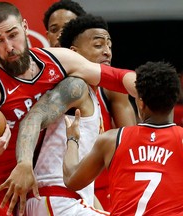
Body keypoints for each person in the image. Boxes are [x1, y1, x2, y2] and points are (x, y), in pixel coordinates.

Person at [0, 2, 136, 215]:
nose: (8, 47)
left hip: (17, 189)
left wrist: (154, 88)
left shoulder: (57, 62)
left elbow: (117, 77)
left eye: (12, 35)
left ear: (25, 27)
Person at [63, 61, 183, 215]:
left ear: (140, 103)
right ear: (175, 99)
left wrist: (72, 140)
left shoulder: (112, 140)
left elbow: (71, 180)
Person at [59, 14, 136, 211]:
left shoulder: (109, 89)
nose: (107, 52)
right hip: (68, 189)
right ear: (72, 51)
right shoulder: (68, 89)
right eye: (98, 45)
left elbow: (131, 145)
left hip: (103, 187)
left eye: (108, 45)